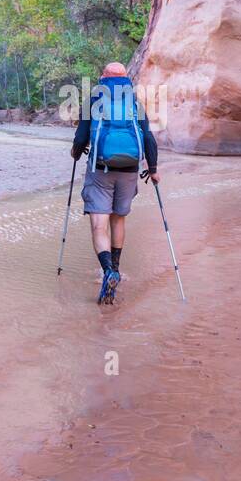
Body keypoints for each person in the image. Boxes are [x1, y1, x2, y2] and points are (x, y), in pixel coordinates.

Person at [70, 62, 158, 304]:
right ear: (125, 78)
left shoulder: (94, 100)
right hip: (130, 170)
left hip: (101, 170)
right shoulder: (134, 102)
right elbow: (148, 137)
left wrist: (76, 153)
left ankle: (107, 270)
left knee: (99, 224)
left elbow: (80, 137)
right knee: (118, 218)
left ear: (103, 78)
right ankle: (116, 270)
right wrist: (154, 169)